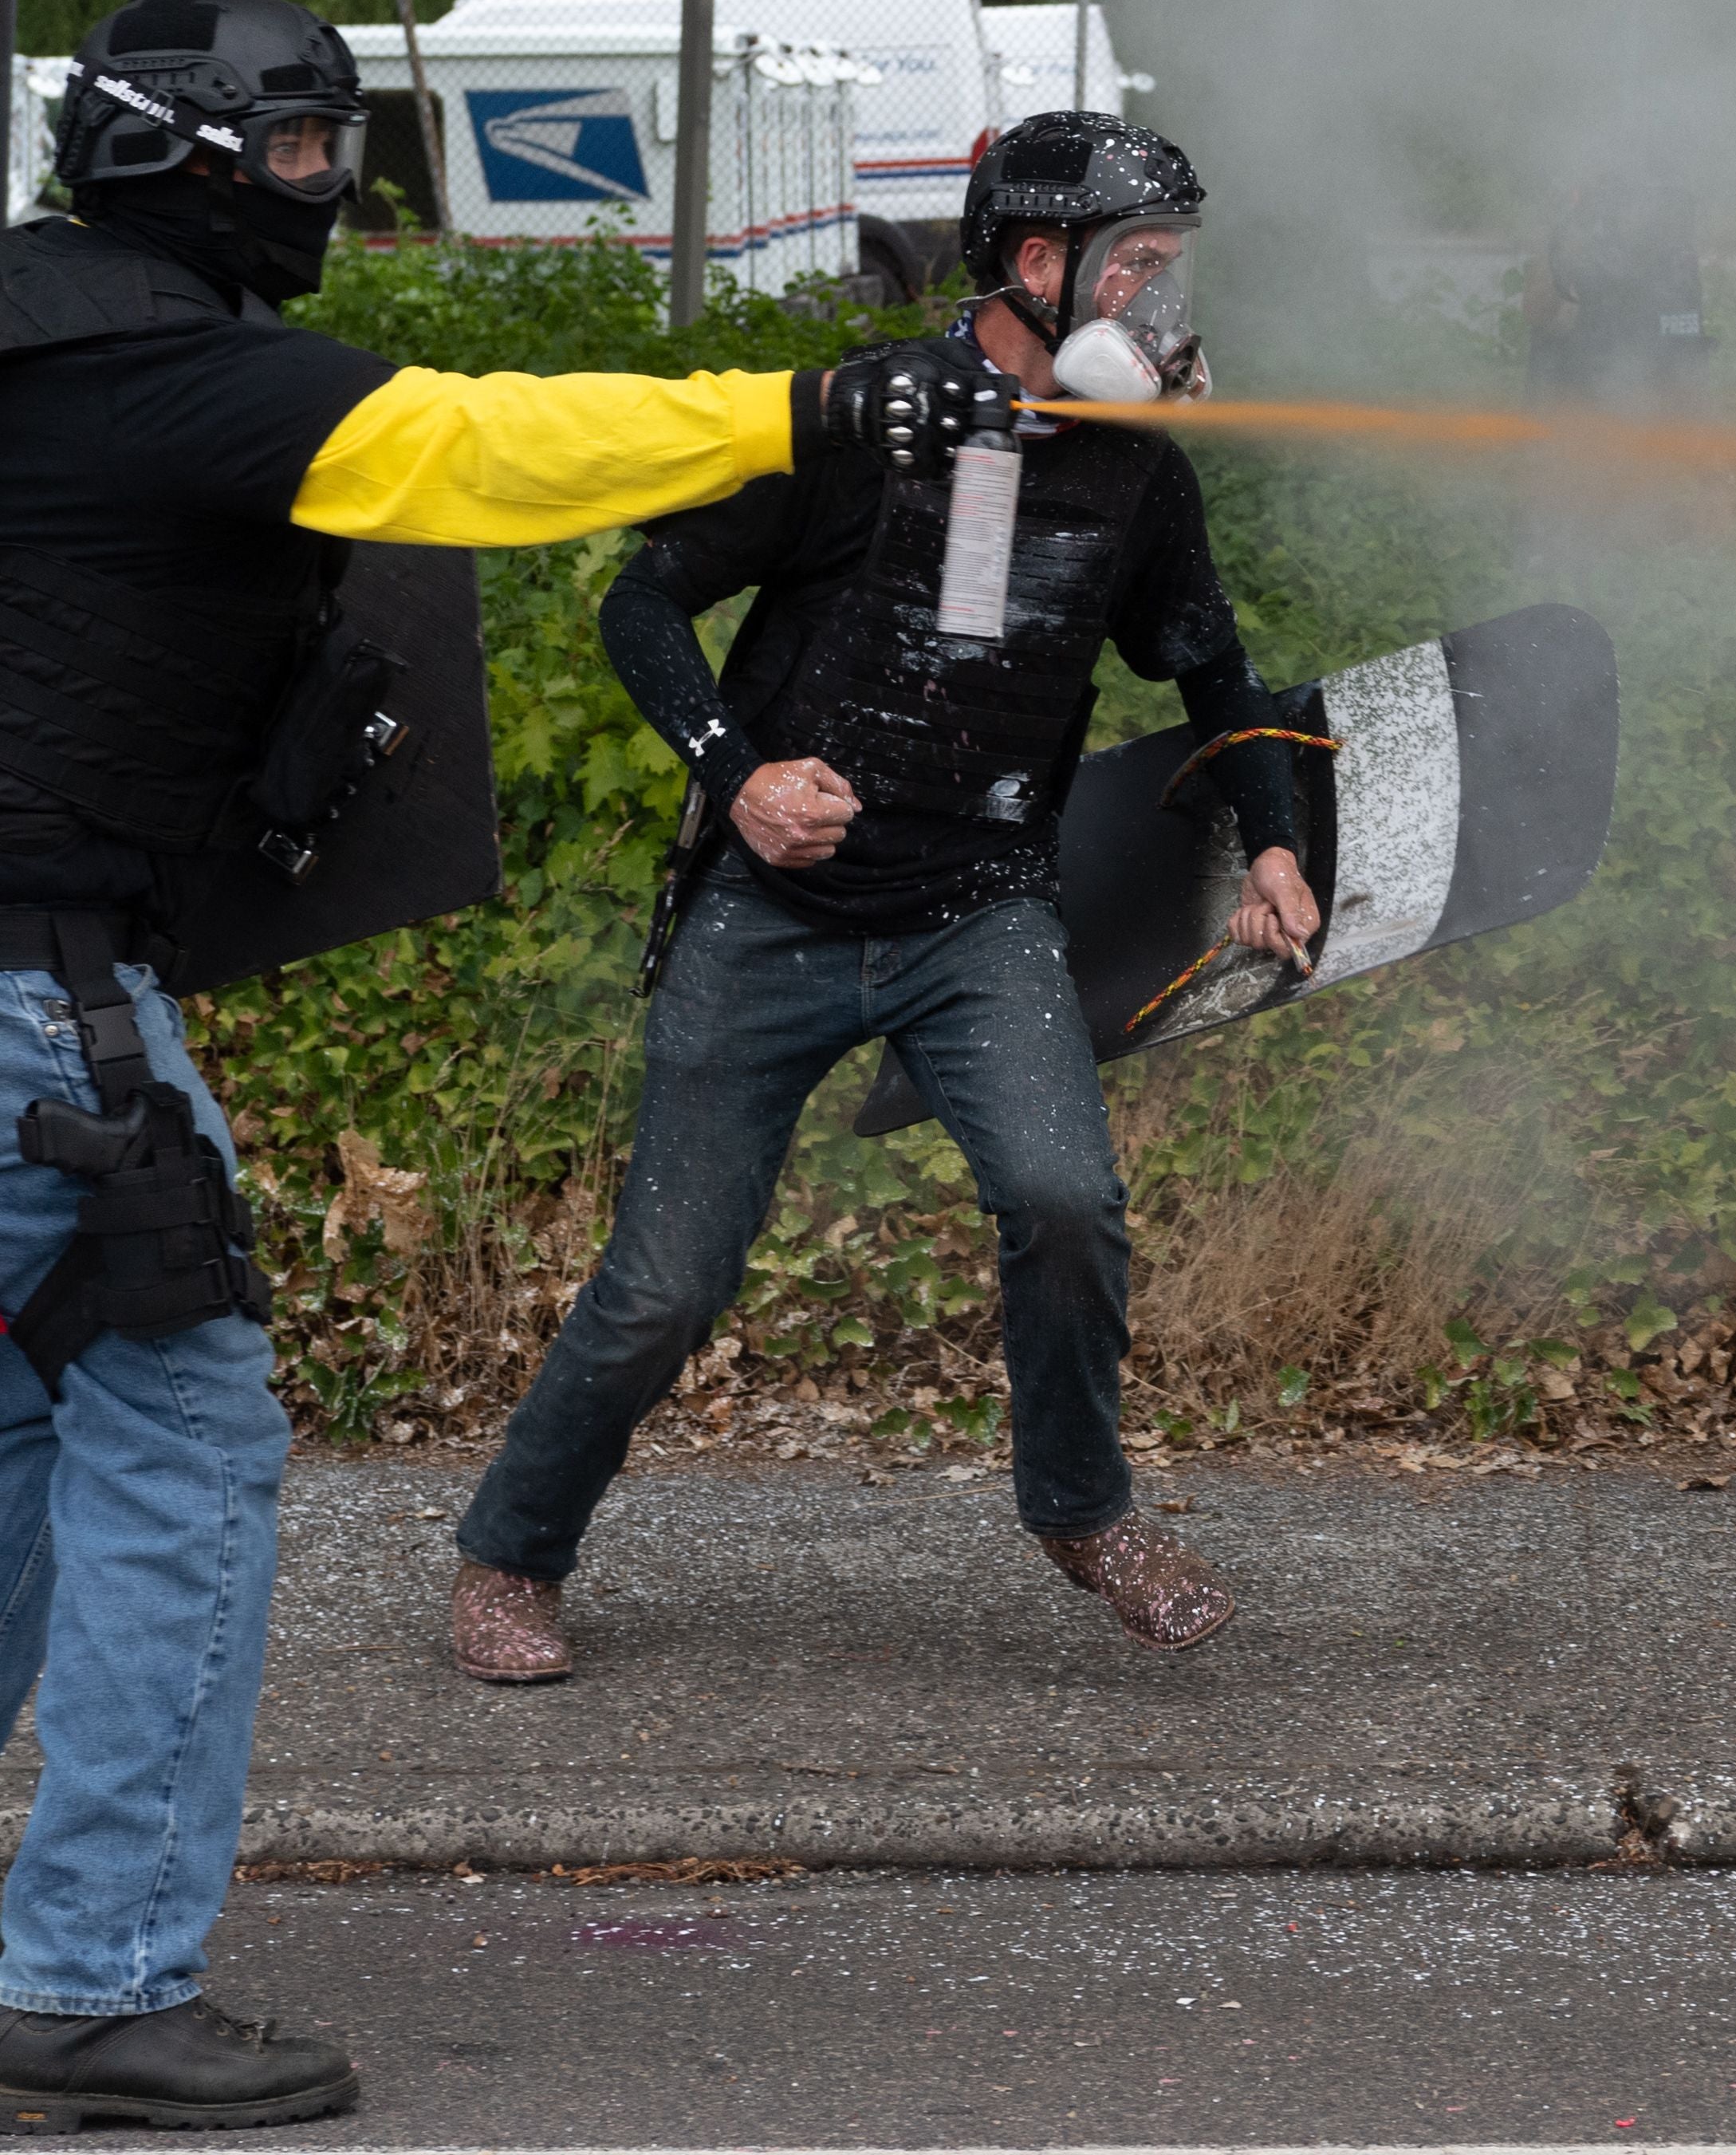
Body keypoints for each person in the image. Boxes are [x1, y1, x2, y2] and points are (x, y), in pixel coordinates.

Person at [0, 0, 876, 2125]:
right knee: (184, 1442)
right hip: (38, 990)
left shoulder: (36, 326)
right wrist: (816, 415)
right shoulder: (164, 372)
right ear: (170, 151)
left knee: (25, 1433)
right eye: (297, 154)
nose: (323, 192)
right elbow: (477, 455)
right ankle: (91, 1976)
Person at [451, 116, 1319, 1679]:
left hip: (979, 911)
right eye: (1142, 268)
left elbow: (1215, 670)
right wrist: (737, 770)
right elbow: (641, 601)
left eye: (1177, 270)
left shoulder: (1138, 471)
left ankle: (1079, 1506)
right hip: (772, 917)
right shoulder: (874, 421)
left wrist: (1270, 837)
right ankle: (510, 1552)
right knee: (666, 1286)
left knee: (1064, 1201)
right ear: (1038, 264)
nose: (1171, 305)